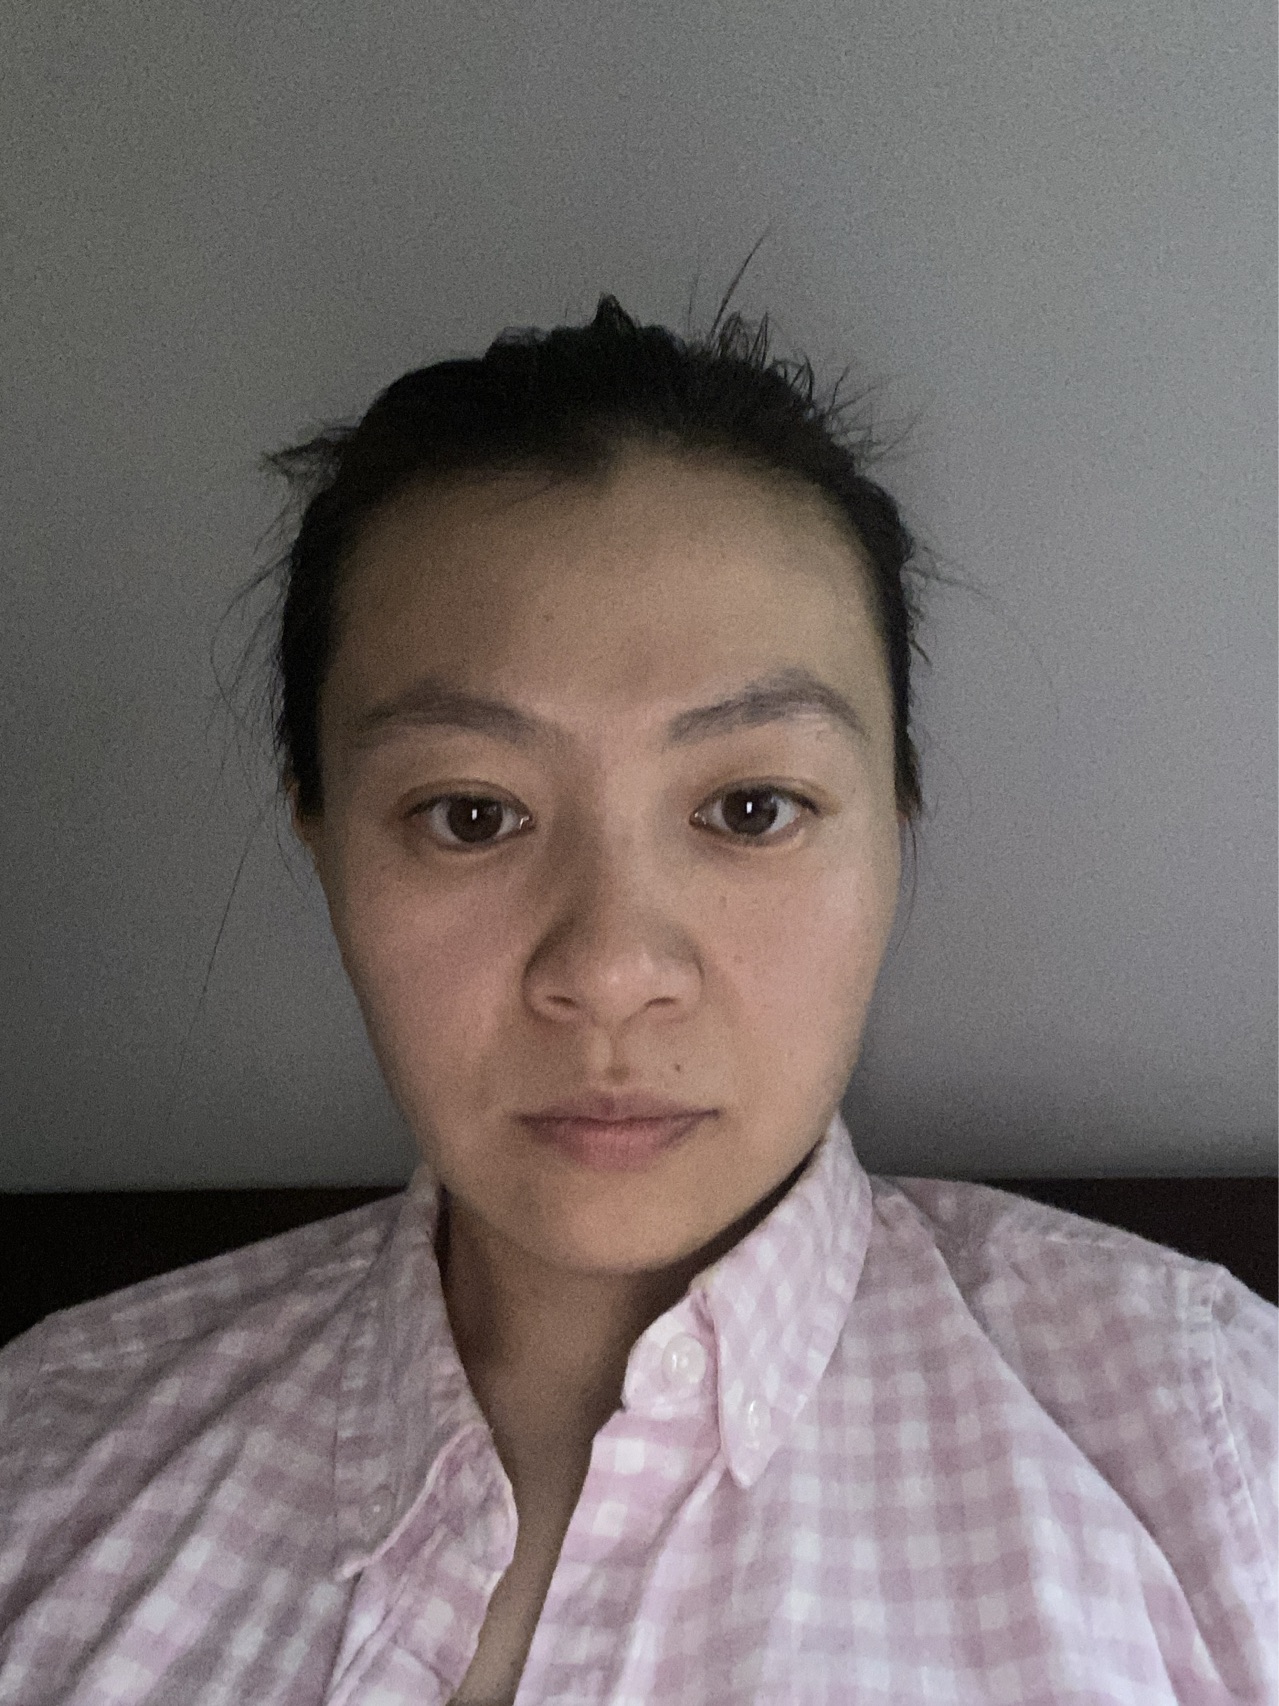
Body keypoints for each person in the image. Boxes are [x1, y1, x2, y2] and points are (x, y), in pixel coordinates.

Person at [0, 285, 1274, 1706]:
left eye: (750, 806)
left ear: (896, 819)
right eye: (471, 815)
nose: (609, 969)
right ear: (321, 830)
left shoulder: (1221, 1450)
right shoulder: (47, 1455)